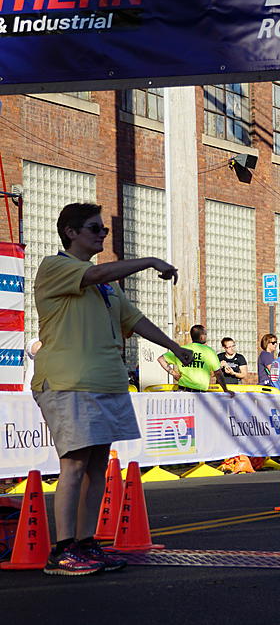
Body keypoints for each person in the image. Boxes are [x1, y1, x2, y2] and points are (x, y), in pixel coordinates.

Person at [31, 202, 194, 575]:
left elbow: (134, 319)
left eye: (103, 229)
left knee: (98, 467)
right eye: (94, 228)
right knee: (73, 465)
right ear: (70, 233)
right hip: (69, 382)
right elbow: (97, 273)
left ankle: (87, 544)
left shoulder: (104, 284)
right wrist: (151, 260)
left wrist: (175, 347)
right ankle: (63, 549)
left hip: (106, 382)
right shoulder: (56, 267)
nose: (102, 234)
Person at [157, 324, 232, 396]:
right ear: (202, 337)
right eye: (205, 334)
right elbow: (218, 373)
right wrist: (225, 389)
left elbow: (161, 359)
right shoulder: (209, 351)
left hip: (183, 391)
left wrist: (174, 373)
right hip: (200, 394)